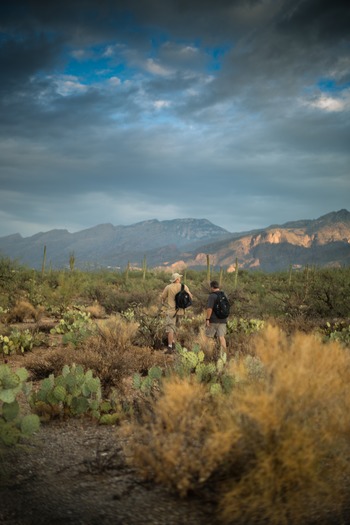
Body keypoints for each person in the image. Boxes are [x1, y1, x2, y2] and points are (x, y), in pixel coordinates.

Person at [160, 272, 193, 354]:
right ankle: (176, 344)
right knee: (176, 329)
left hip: (171, 312)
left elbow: (162, 297)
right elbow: (190, 296)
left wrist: (163, 304)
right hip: (181, 311)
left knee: (170, 329)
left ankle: (170, 346)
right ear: (178, 279)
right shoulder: (184, 286)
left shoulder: (168, 287)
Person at [205, 280, 227, 351]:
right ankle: (224, 353)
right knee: (221, 337)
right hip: (223, 320)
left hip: (213, 320)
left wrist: (207, 319)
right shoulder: (224, 295)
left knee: (209, 337)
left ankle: (209, 352)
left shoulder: (212, 296)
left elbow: (209, 309)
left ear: (212, 287)